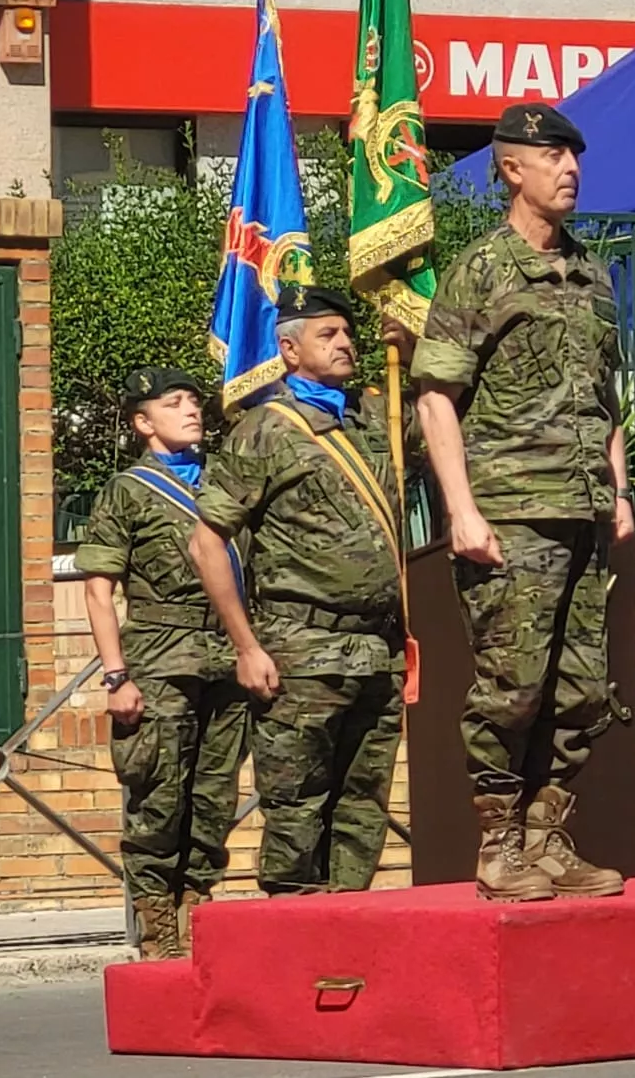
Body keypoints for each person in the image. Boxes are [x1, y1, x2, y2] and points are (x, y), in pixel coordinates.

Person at [410, 101, 632, 903]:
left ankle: (547, 841)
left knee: (582, 693)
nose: (570, 171)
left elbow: (604, 395)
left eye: (576, 158)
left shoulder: (594, 274)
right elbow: (436, 397)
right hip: (510, 511)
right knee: (513, 686)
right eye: (554, 159)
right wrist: (461, 511)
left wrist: (618, 487)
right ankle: (499, 843)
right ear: (512, 169)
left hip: (582, 510)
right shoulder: (483, 270)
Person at [190, 287, 409, 898]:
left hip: (377, 650)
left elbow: (455, 417)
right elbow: (208, 543)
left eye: (346, 333)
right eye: (327, 335)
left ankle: (348, 938)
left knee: (363, 811)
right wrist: (245, 645)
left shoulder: (372, 417)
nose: (345, 343)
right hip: (301, 648)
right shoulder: (267, 430)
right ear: (288, 349)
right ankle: (294, 942)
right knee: (295, 810)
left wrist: (413, 349)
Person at [74, 368, 248, 960]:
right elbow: (99, 590)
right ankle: (159, 935)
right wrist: (117, 676)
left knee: (213, 799)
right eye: (174, 404)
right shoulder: (128, 491)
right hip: (160, 659)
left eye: (195, 401)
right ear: (143, 422)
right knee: (158, 802)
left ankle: (197, 917)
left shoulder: (224, 487)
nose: (192, 410)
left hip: (224, 662)